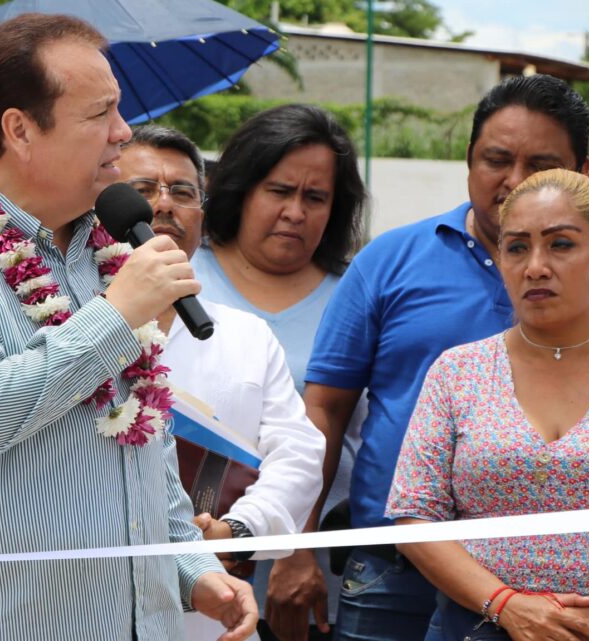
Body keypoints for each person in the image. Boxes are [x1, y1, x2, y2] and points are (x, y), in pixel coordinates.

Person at [0, 14, 257, 641]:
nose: (123, 132)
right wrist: (118, 316)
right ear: (20, 130)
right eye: (98, 114)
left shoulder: (110, 245)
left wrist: (193, 570)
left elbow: (143, 443)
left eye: (120, 110)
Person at [300, 74, 589, 641]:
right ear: (467, 159)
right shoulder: (386, 262)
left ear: (582, 172)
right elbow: (326, 412)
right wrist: (299, 547)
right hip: (394, 569)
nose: (513, 181)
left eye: (540, 163)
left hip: (575, 599)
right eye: (496, 159)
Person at [115, 125, 326, 641]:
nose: (163, 206)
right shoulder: (67, 327)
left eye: (182, 192)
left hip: (214, 611)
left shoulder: (247, 336)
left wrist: (235, 531)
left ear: (202, 216)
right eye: (142, 190)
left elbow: (297, 454)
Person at [388, 168, 589, 641]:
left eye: (561, 244)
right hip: (478, 626)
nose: (536, 267)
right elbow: (414, 515)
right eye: (517, 247)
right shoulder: (458, 371)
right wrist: (507, 606)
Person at [193, 104, 368, 641]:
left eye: (315, 198)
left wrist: (299, 550)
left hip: (308, 584)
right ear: (241, 190)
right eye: (278, 190)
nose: (295, 211)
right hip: (191, 576)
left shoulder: (356, 293)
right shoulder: (181, 275)